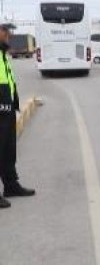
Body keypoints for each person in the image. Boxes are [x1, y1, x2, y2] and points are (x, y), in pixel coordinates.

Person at [0, 23, 35, 209]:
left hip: (6, 108)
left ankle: (11, 185)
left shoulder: (3, 56)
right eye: (5, 33)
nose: (8, 36)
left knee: (8, 150)